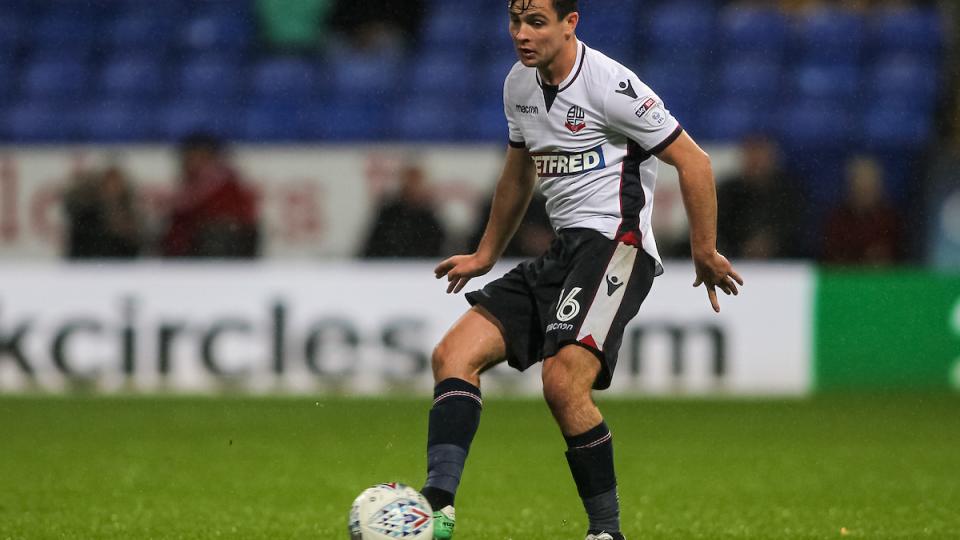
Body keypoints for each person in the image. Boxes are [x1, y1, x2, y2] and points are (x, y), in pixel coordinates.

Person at [419, 2, 743, 540]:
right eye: (515, 21)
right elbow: (518, 172)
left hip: (618, 244)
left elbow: (694, 161)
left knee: (563, 382)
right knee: (452, 355)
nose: (521, 34)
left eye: (536, 22)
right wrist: (485, 253)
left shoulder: (611, 86)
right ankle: (435, 509)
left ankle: (606, 532)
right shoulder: (518, 85)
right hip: (565, 250)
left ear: (570, 23)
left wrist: (705, 252)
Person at [160, 133, 260, 258]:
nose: (190, 162)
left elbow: (242, 222)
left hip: (220, 253)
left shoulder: (224, 185)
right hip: (191, 256)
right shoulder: (191, 185)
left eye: (197, 156)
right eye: (188, 157)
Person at [716, 135, 805, 259]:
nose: (756, 162)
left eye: (761, 157)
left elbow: (796, 228)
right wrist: (741, 247)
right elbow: (718, 230)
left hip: (784, 261)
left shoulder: (789, 192)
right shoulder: (729, 191)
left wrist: (771, 243)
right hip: (734, 258)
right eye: (751, 155)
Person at [820, 156, 903, 265]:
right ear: (850, 186)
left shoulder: (890, 220)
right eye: (860, 185)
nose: (864, 190)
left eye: (869, 186)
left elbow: (902, 259)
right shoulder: (836, 220)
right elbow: (831, 259)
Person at [361, 162, 447, 258]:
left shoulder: (429, 215)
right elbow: (373, 246)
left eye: (416, 182)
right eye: (409, 181)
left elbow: (439, 246)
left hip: (420, 264)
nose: (412, 186)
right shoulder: (389, 213)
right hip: (390, 264)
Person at [63, 166, 142, 259]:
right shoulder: (87, 213)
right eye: (109, 185)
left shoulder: (129, 215)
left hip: (119, 263)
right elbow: (80, 243)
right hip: (88, 262)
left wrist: (124, 233)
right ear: (102, 187)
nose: (113, 190)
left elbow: (134, 249)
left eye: (116, 185)